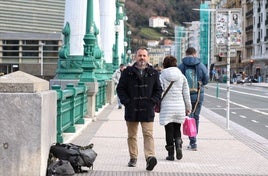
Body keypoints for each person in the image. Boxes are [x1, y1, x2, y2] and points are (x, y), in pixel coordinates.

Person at [116, 47, 162, 171]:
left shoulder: (153, 72)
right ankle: (133, 157)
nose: (142, 58)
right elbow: (120, 88)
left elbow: (158, 90)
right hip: (132, 108)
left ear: (147, 57)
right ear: (135, 57)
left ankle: (150, 158)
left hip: (147, 109)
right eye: (140, 55)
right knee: (132, 135)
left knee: (148, 134)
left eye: (144, 55)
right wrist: (126, 102)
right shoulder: (127, 72)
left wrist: (152, 102)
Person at [159, 56, 192, 161]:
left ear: (164, 64)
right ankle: (178, 144)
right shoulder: (181, 76)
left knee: (168, 130)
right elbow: (186, 94)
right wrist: (188, 107)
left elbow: (159, 91)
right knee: (177, 128)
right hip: (179, 106)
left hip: (167, 107)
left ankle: (171, 154)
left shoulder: (162, 76)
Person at [178, 47, 209, 151]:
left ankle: (185, 140)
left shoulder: (181, 66)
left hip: (184, 96)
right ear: (195, 54)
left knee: (186, 116)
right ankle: (194, 141)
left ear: (186, 54)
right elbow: (206, 79)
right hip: (198, 94)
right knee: (195, 117)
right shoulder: (201, 66)